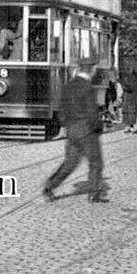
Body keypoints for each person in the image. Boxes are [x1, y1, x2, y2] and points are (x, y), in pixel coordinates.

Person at [43, 59, 107, 203]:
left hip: (72, 131)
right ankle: (94, 193)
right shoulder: (87, 87)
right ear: (91, 70)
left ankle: (50, 185)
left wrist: (67, 125)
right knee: (96, 162)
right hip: (87, 131)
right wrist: (98, 128)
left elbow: (61, 109)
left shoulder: (68, 86)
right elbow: (92, 112)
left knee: (70, 163)